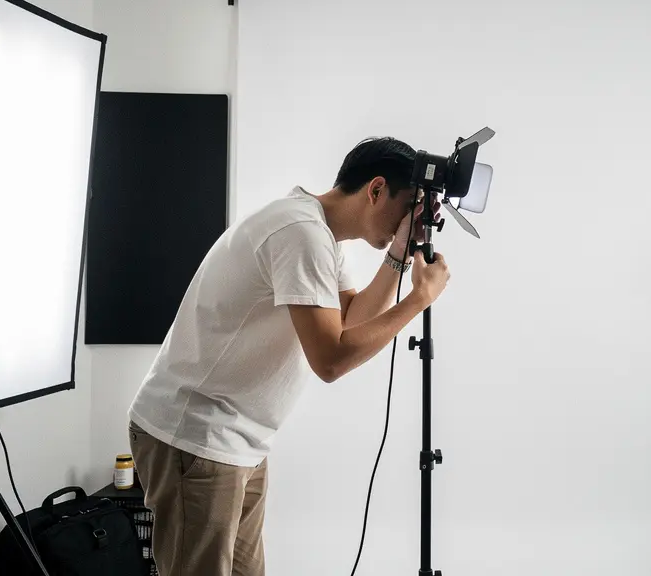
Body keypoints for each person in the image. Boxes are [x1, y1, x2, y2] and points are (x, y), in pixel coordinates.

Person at [126, 136, 449, 576]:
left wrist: (399, 252)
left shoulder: (321, 235)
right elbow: (331, 360)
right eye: (408, 207)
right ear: (376, 190)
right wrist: (418, 300)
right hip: (198, 435)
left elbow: (350, 319)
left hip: (239, 439)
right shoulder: (301, 233)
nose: (407, 222)